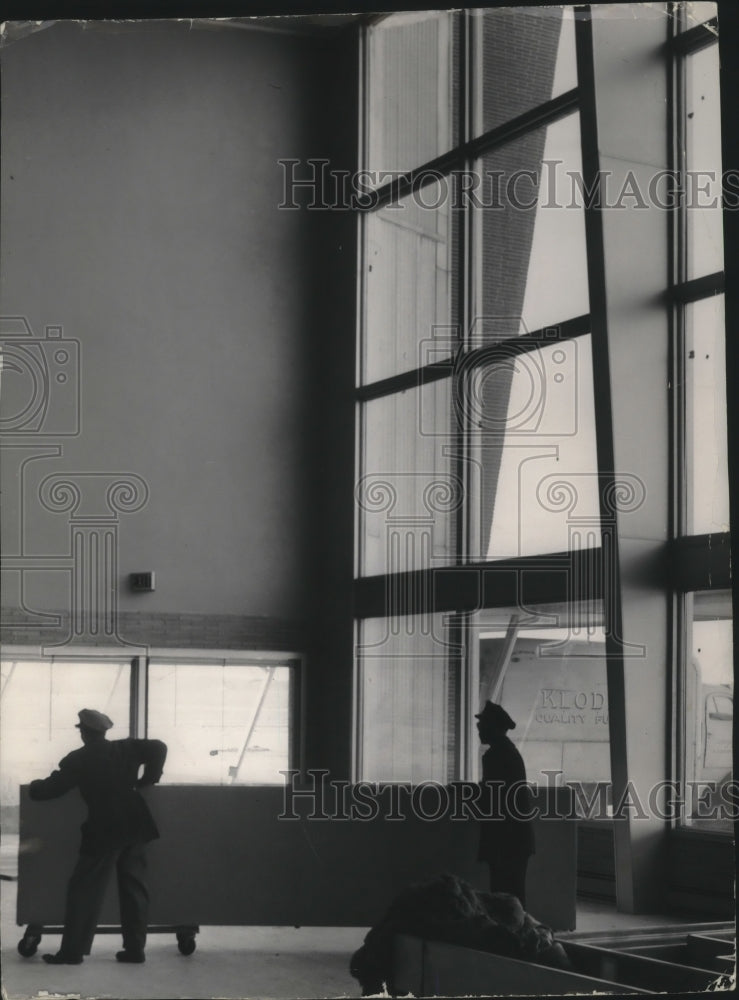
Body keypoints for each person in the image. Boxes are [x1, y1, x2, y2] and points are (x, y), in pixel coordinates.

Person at [29, 708, 167, 965]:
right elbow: (159, 747)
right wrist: (148, 779)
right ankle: (135, 949)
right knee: (134, 888)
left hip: (104, 829)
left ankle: (72, 952)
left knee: (84, 890)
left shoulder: (78, 759)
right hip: (137, 824)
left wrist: (34, 787)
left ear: (83, 732)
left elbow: (50, 789)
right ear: (104, 731)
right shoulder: (126, 748)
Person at [476, 700, 535, 907]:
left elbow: (491, 797)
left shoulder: (495, 755)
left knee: (505, 898)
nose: (479, 729)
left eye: (482, 725)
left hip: (505, 840)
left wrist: (466, 792)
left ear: (492, 727)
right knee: (513, 898)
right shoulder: (508, 752)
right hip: (515, 839)